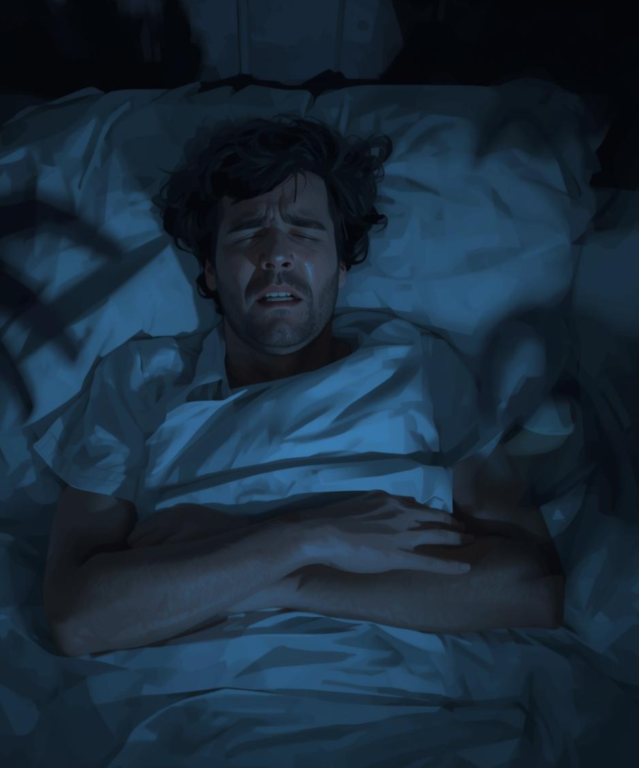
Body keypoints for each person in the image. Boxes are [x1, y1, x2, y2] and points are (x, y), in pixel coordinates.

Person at [34, 116, 564, 657]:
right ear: (210, 270)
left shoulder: (421, 368)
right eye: (247, 232)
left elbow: (532, 587)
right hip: (186, 691)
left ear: (342, 265)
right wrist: (306, 536)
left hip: (393, 687)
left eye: (305, 231)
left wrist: (283, 581)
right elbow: (79, 620)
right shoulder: (142, 379)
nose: (276, 254)